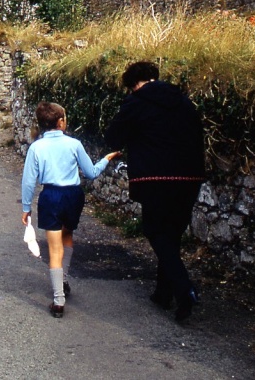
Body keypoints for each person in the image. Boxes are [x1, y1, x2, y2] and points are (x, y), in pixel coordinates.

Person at [104, 61, 206, 322]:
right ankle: (163, 293)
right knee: (171, 234)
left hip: (156, 176)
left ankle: (185, 290)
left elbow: (114, 136)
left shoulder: (136, 102)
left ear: (133, 84)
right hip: (190, 176)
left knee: (154, 230)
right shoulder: (183, 101)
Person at [21, 102, 120, 318]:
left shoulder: (36, 147)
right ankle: (64, 278)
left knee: (53, 248)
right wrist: (107, 159)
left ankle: (58, 300)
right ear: (60, 122)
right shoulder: (74, 144)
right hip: (73, 195)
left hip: (50, 196)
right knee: (68, 236)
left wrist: (26, 208)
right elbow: (91, 172)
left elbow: (29, 181)